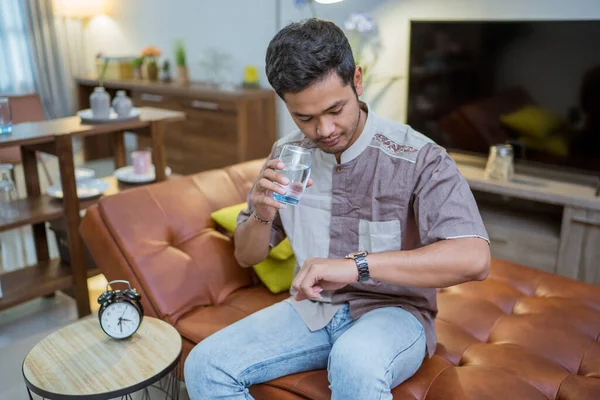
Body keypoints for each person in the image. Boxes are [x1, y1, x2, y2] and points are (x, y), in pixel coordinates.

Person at [184, 18, 490, 400]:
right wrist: (262, 214)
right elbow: (247, 256)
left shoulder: (419, 157)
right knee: (205, 365)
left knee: (354, 362)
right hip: (311, 312)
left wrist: (355, 265)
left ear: (357, 80)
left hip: (394, 314)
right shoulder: (288, 155)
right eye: (305, 118)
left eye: (335, 109)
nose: (324, 130)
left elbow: (475, 258)